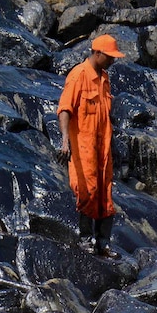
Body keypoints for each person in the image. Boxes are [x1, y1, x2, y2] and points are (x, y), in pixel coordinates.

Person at [57, 34, 125, 258]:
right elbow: (65, 109)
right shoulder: (78, 76)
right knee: (87, 191)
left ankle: (104, 243)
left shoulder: (104, 78)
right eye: (110, 57)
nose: (113, 61)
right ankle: (86, 240)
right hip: (83, 147)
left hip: (103, 148)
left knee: (105, 194)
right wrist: (65, 140)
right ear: (97, 54)